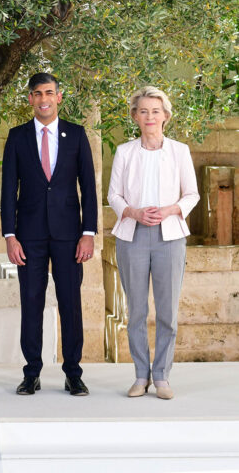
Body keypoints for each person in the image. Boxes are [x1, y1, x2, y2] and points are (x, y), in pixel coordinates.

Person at [1, 72, 97, 396]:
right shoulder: (17, 137)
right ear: (30, 98)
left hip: (70, 236)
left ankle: (73, 373)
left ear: (59, 97)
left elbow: (89, 188)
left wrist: (88, 232)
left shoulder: (76, 135)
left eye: (49, 93)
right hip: (28, 237)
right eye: (37, 93)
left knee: (70, 304)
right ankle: (31, 373)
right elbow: (8, 190)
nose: (44, 99)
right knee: (31, 304)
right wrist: (10, 236)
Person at [107, 86, 198, 400]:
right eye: (143, 111)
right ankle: (140, 375)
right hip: (132, 236)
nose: (150, 117)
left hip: (169, 237)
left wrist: (171, 210)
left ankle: (161, 376)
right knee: (136, 310)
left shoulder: (180, 151)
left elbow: (192, 194)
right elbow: (114, 195)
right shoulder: (124, 152)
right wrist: (133, 212)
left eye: (155, 111)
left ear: (166, 116)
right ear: (135, 116)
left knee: (167, 311)